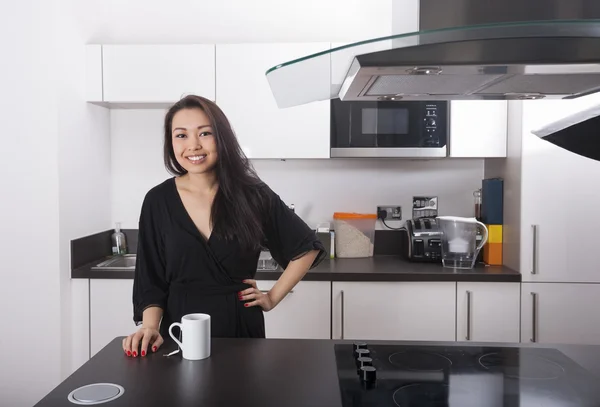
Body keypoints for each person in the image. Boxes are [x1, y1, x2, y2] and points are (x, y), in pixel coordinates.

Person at [122, 95, 326, 357]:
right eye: (181, 135)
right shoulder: (157, 200)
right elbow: (150, 276)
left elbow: (306, 247)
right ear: (170, 142)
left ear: (222, 137)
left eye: (205, 133)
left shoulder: (253, 194)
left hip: (240, 326)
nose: (193, 145)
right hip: (180, 329)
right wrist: (150, 327)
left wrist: (272, 297)